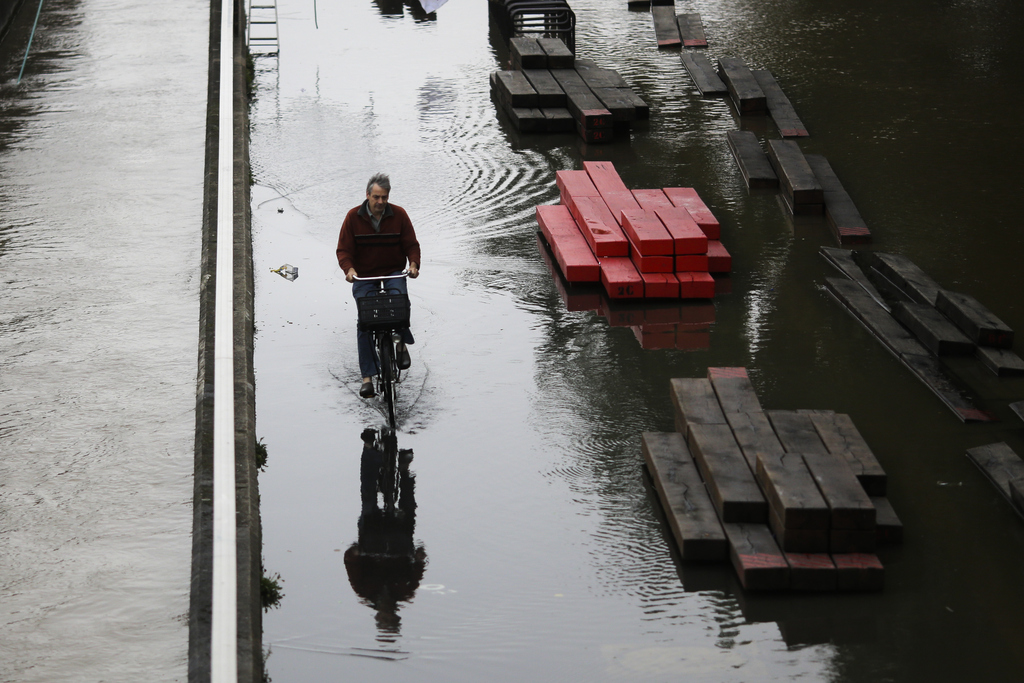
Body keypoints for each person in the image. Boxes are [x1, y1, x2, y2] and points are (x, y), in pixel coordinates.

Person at [336, 173, 420, 398]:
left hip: (393, 270)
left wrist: (413, 265)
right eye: (376, 197)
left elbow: (411, 244)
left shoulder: (399, 215)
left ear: (388, 197)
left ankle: (401, 344)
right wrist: (349, 270)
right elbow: (343, 250)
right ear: (367, 196)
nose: (380, 202)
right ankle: (367, 378)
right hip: (364, 274)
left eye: (384, 197)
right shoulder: (353, 217)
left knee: (400, 300)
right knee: (365, 321)